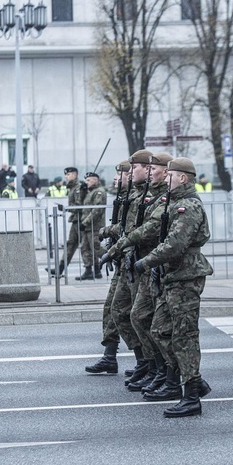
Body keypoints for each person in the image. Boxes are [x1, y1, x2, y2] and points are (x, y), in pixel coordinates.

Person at [133, 157, 213, 417]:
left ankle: (191, 395)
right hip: (173, 275)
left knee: (185, 335)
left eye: (171, 176)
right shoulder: (175, 203)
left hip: (186, 277)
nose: (166, 179)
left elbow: (175, 245)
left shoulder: (188, 205)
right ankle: (193, 380)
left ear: (183, 178)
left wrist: (146, 261)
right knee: (159, 330)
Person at [106, 152, 175, 393]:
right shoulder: (140, 195)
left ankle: (165, 371)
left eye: (136, 167)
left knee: (146, 318)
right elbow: (130, 226)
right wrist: (112, 236)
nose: (130, 172)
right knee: (124, 312)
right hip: (134, 260)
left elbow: (147, 230)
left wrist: (118, 244)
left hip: (150, 264)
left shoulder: (162, 198)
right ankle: (148, 364)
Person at [85, 160, 130, 375]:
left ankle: (150, 364)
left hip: (138, 265)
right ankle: (109, 357)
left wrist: (109, 243)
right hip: (124, 262)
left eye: (120, 174)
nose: (115, 178)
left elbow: (132, 230)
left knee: (138, 316)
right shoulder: (124, 197)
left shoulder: (139, 199)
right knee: (112, 309)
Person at [76, 171, 106, 280]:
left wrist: (85, 222)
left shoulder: (99, 192)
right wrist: (83, 191)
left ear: (95, 180)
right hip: (88, 226)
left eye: (89, 180)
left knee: (96, 248)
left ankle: (111, 259)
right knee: (85, 248)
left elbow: (97, 210)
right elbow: (80, 203)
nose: (86, 182)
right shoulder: (90, 192)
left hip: (94, 226)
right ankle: (90, 271)